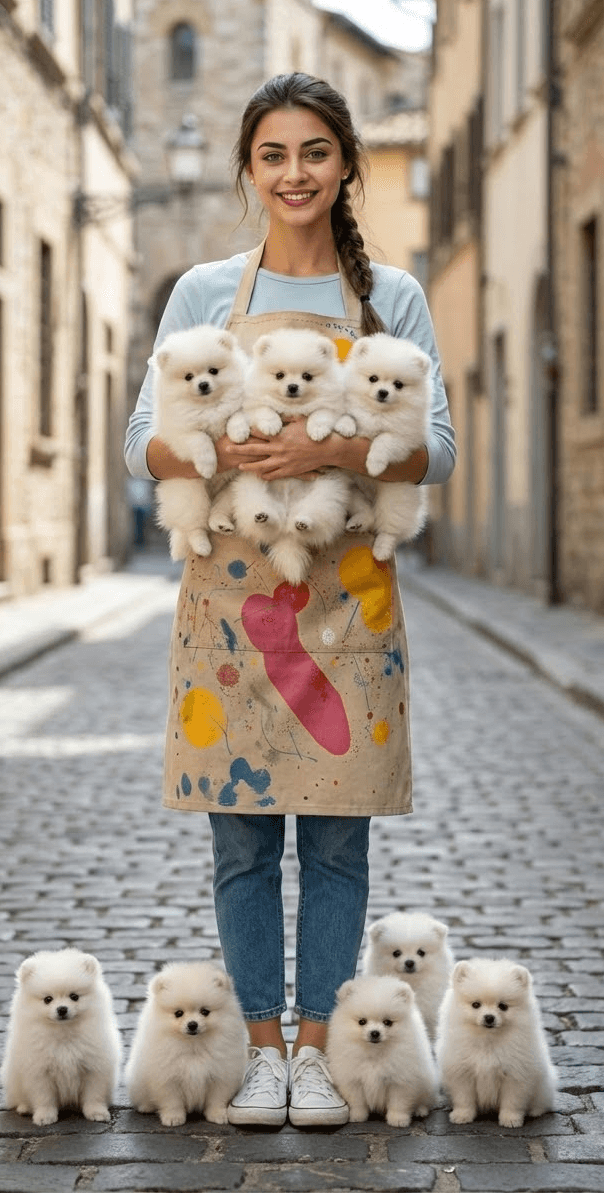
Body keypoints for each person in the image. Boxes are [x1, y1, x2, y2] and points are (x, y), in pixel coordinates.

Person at [125, 73, 456, 1128]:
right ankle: (260, 1053)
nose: (294, 173)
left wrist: (330, 447)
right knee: (242, 845)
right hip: (230, 604)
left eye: (314, 152)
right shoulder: (200, 292)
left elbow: (437, 450)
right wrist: (225, 446)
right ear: (250, 169)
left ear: (345, 164)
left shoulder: (391, 297)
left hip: (349, 606)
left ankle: (316, 1054)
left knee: (337, 842)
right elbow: (140, 442)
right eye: (273, 154)